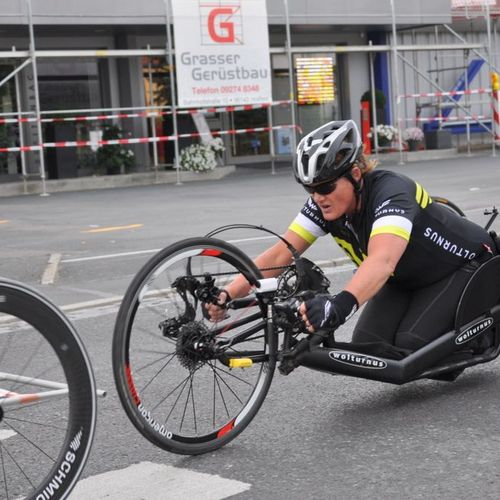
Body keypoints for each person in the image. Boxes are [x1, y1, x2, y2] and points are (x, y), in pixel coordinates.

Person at [207, 120, 497, 353]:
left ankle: (484, 333)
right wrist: (228, 293)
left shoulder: (390, 191)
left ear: (356, 175)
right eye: (310, 189)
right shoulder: (327, 204)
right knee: (368, 348)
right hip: (406, 279)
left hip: (463, 267)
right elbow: (279, 255)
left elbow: (382, 260)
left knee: (414, 346)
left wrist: (339, 305)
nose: (318, 197)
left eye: (326, 187)